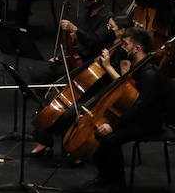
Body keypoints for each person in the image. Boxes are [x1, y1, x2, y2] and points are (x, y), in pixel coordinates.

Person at [78, 29, 170, 193]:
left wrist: (113, 126)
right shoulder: (137, 66)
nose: (123, 46)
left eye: (126, 43)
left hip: (149, 122)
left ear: (137, 48)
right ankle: (105, 178)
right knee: (98, 130)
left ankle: (117, 185)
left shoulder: (150, 74)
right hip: (137, 116)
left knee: (109, 137)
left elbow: (141, 108)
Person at [30, 18, 133, 157]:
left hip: (101, 94)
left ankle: (69, 150)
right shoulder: (108, 43)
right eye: (107, 24)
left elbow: (123, 83)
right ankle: (44, 142)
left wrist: (107, 65)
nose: (107, 28)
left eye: (111, 26)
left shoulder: (124, 53)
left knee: (67, 113)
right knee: (51, 99)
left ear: (122, 31)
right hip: (88, 87)